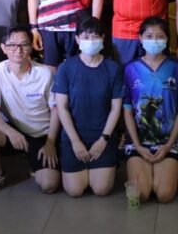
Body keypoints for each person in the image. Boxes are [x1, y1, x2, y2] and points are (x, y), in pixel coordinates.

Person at [0, 26, 60, 195]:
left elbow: (56, 111)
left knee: (49, 185)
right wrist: (11, 133)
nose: (18, 50)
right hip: (14, 132)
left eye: (24, 44)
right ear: (3, 48)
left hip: (41, 134)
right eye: (12, 45)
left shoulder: (45, 73)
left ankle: (35, 162)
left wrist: (50, 143)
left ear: (31, 46)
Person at [53, 17, 125, 197]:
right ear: (77, 39)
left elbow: (116, 108)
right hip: (74, 136)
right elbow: (62, 107)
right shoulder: (65, 68)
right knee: (74, 190)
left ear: (103, 38)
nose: (90, 41)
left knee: (101, 189)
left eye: (95, 37)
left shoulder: (113, 68)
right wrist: (75, 141)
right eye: (85, 37)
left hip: (102, 135)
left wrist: (104, 139)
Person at [121, 17, 178, 203]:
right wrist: (137, 145)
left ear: (167, 39)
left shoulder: (177, 68)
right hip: (139, 141)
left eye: (160, 36)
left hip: (169, 141)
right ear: (140, 38)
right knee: (141, 194)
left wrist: (169, 145)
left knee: (164, 194)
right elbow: (127, 112)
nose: (154, 40)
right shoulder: (130, 69)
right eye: (149, 36)